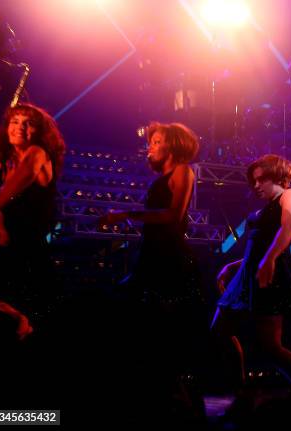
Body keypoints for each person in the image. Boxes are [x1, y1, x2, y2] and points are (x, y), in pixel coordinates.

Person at [99, 122, 205, 426]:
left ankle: (180, 403)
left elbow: (173, 215)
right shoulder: (163, 176)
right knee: (145, 323)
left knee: (164, 327)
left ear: (172, 144)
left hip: (169, 258)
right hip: (154, 254)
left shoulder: (183, 171)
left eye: (157, 141)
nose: (151, 146)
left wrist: (125, 214)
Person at [212, 154, 291, 384]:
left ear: (277, 175)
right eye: (253, 181)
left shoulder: (290, 195)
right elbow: (257, 248)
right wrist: (234, 266)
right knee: (219, 332)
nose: (255, 186)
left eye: (261, 179)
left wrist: (270, 259)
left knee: (271, 347)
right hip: (248, 275)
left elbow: (289, 225)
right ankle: (240, 392)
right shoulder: (265, 208)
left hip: (269, 276)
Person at [0, 103, 65, 320]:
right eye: (15, 121)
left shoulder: (36, 152)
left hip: (24, 242)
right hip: (11, 240)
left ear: (39, 131)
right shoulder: (9, 159)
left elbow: (3, 200)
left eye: (28, 124)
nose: (20, 127)